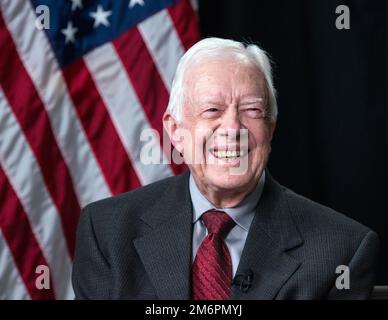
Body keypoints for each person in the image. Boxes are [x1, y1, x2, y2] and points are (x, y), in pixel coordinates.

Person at [72, 37, 380, 299]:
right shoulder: (107, 232)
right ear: (176, 131)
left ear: (270, 128)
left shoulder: (343, 250)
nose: (233, 127)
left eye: (252, 110)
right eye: (212, 110)